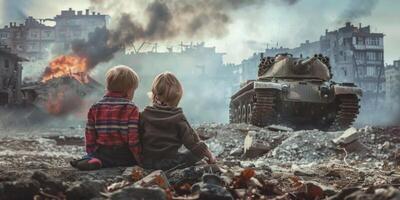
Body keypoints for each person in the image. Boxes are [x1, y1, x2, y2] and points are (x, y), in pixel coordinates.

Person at [140, 72, 216, 170]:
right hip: (171, 163)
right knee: (196, 153)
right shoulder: (178, 117)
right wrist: (210, 155)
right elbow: (193, 143)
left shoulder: (144, 115)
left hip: (148, 163)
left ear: (155, 95)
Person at [70, 65, 141, 170]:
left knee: (95, 157)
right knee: (130, 160)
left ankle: (92, 160)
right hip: (124, 155)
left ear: (107, 87)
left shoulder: (95, 107)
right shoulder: (131, 108)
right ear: (129, 90)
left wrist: (91, 153)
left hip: (103, 153)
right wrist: (138, 158)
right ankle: (94, 160)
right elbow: (133, 138)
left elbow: (90, 134)